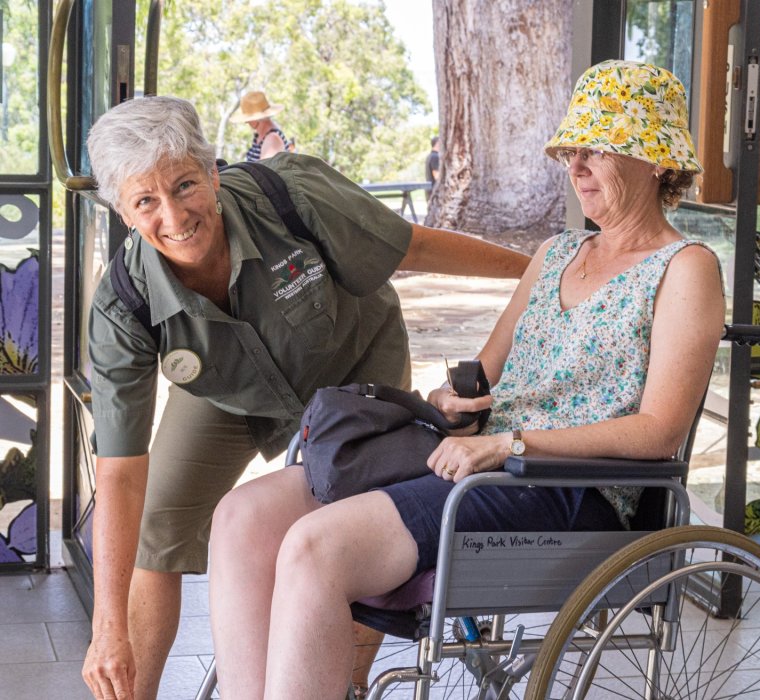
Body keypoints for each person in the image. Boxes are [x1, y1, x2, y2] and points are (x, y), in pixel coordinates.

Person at [207, 59, 725, 699]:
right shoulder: (556, 253)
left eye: (598, 149)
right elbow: (484, 379)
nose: (576, 166)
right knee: (242, 517)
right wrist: (454, 403)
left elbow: (658, 432)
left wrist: (509, 446)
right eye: (572, 150)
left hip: (570, 483)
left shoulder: (686, 268)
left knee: (316, 548)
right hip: (480, 459)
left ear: (655, 160)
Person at [80, 95, 529, 700]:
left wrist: (538, 270)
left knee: (350, 509)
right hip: (228, 388)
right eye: (145, 201)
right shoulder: (123, 305)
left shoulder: (291, 194)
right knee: (159, 523)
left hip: (353, 364)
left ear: (213, 174)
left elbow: (414, 246)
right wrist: (107, 629)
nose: (174, 215)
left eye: (185, 185)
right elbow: (120, 476)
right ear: (124, 215)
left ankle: (344, 684)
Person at [230, 90, 290, 161]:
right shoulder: (259, 137)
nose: (246, 122)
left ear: (258, 118)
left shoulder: (272, 139)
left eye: (248, 118)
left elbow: (264, 171)